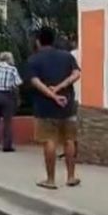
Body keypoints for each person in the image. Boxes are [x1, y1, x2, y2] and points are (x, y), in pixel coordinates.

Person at [28, 27, 81, 190]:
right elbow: (76, 74)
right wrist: (60, 88)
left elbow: (35, 82)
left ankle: (50, 180)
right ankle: (71, 177)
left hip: (45, 108)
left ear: (38, 41)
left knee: (49, 140)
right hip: (68, 106)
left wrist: (52, 95)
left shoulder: (34, 60)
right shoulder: (67, 56)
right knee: (69, 140)